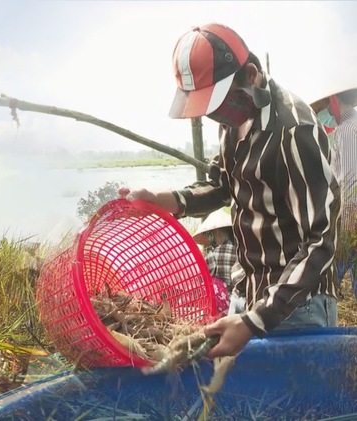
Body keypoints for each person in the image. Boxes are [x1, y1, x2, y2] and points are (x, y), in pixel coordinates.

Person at [120, 23, 341, 359]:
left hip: (296, 305)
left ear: (251, 76)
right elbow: (224, 184)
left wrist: (254, 321)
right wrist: (168, 201)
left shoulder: (294, 132)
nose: (215, 115)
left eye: (221, 103)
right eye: (208, 109)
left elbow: (320, 239)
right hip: (251, 294)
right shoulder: (232, 123)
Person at [310, 86, 357, 297]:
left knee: (328, 285)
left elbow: (349, 187)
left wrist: (344, 236)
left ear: (334, 100)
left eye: (326, 105)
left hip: (350, 226)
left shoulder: (347, 131)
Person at [192, 207, 235, 315]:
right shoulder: (243, 251)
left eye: (210, 234)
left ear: (217, 232)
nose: (210, 239)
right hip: (239, 302)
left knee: (210, 282)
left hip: (224, 306)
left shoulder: (214, 254)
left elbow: (199, 280)